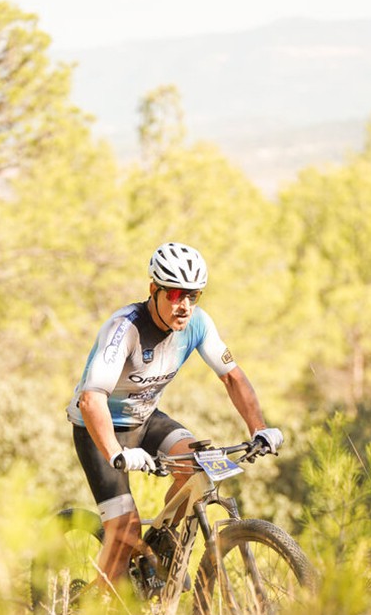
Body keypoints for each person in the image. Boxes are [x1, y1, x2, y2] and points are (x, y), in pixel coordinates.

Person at [67, 242, 283, 590]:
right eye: (175, 294)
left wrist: (259, 428)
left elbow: (232, 377)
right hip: (99, 429)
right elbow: (91, 400)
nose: (184, 305)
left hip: (146, 419)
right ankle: (97, 607)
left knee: (198, 468)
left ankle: (156, 554)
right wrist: (117, 453)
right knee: (124, 530)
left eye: (193, 296)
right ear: (154, 289)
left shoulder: (198, 324)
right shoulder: (124, 329)